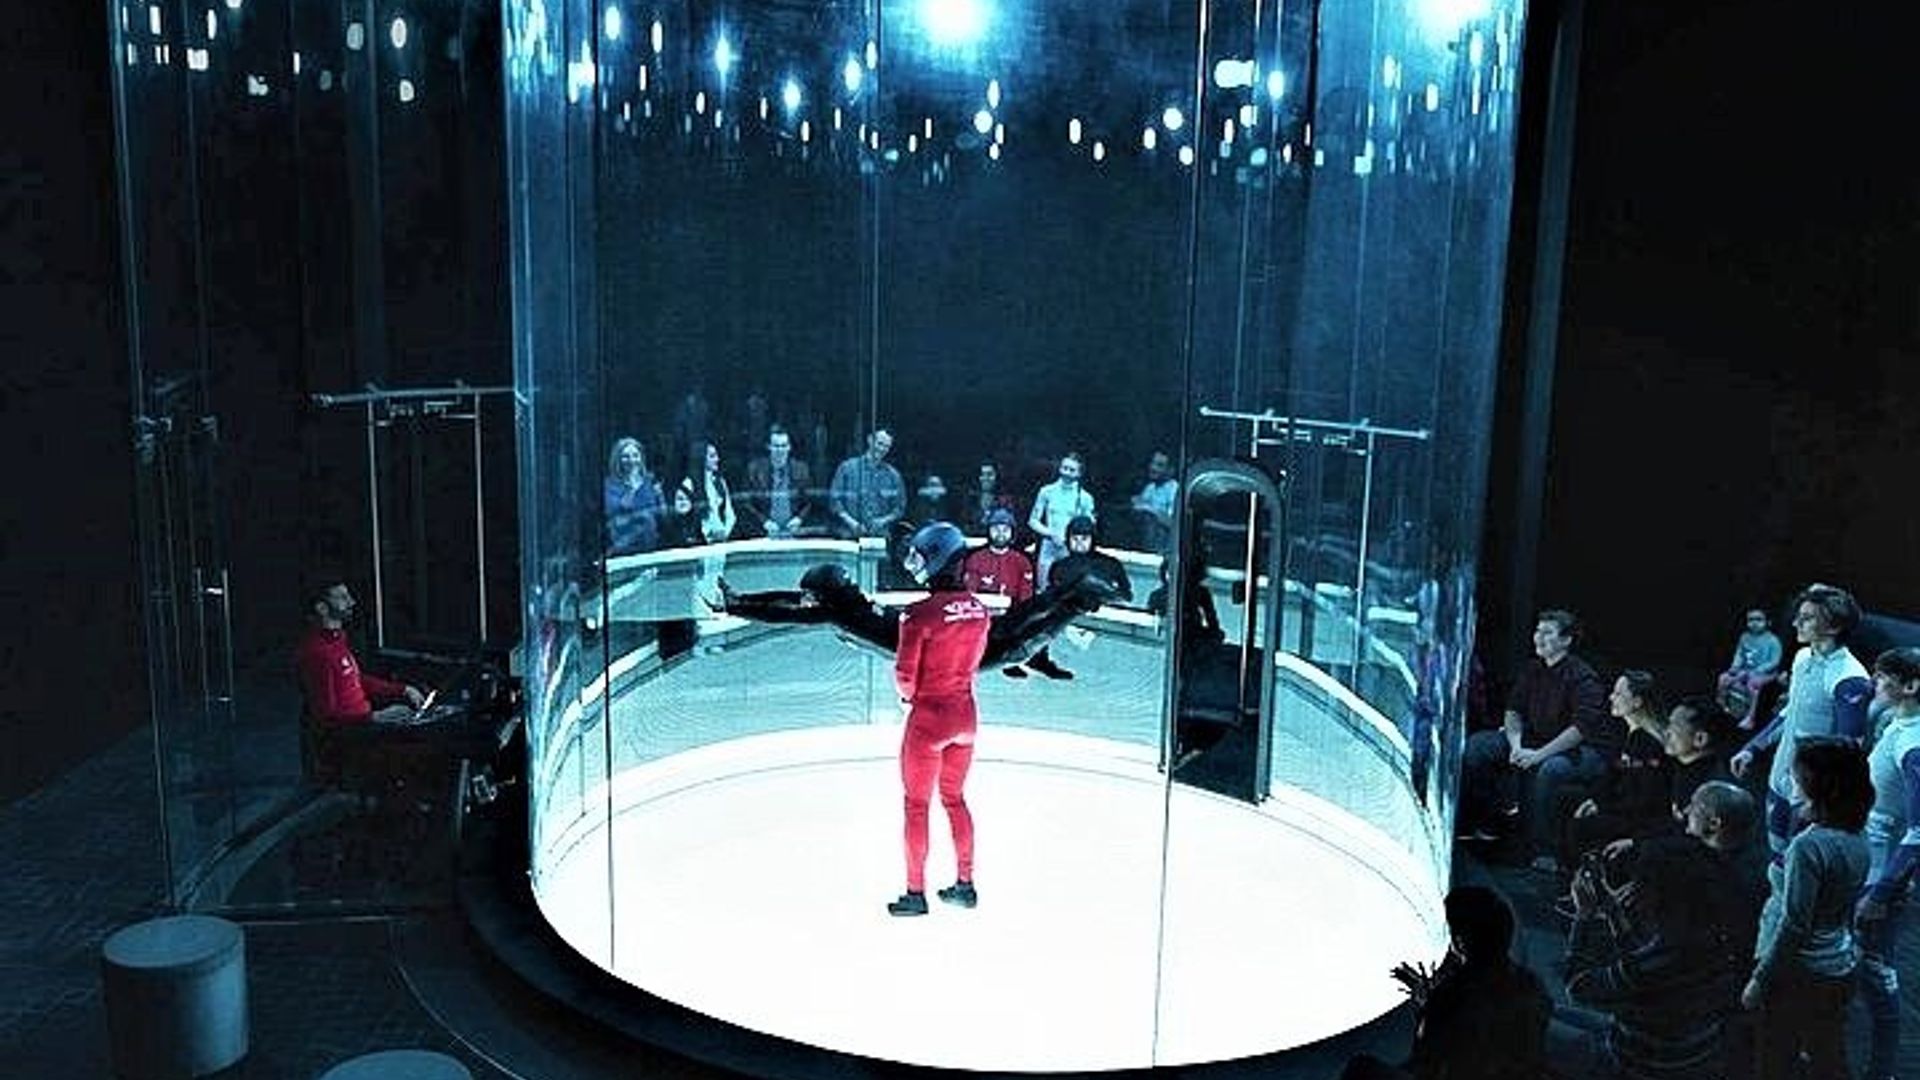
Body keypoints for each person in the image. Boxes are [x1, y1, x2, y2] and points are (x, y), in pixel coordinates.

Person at [1743, 737, 1873, 1080]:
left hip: (1799, 975)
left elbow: (1795, 925)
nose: (1791, 784)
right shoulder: (1858, 834)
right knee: (1827, 1055)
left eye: (1797, 778)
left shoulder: (1808, 846)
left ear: (1820, 789)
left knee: (1774, 1060)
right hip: (1838, 965)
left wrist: (1759, 979)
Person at [887, 523, 991, 917]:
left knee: (917, 805)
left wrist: (908, 699)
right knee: (955, 799)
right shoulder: (979, 611)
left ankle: (915, 893)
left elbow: (905, 675)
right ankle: (965, 884)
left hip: (929, 719)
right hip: (966, 716)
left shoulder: (918, 615)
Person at [1341, 887, 1550, 1080]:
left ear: (1459, 942)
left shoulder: (1450, 996)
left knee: (1360, 1067)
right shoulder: (1533, 985)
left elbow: (1425, 1066)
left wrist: (1428, 1008)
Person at [1730, 583, 1872, 861]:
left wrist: (1817, 799)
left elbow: (1849, 751)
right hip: (1780, 777)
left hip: (1810, 794)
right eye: (1799, 616)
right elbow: (1790, 712)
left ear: (1833, 627)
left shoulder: (1850, 678)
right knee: (1775, 856)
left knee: (1799, 865)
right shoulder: (1802, 657)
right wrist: (1753, 747)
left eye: (1807, 618)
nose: (1796, 623)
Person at [1459, 610, 1613, 852]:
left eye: (1547, 632)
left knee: (1550, 769)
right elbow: (1513, 711)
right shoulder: (1532, 669)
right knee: (1478, 746)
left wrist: (1538, 755)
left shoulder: (1584, 678)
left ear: (1566, 640)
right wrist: (1516, 746)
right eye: (1537, 631)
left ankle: (1542, 849)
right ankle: (1488, 824)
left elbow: (1579, 730)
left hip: (1582, 749)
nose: (1538, 637)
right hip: (1536, 739)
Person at [1857, 646, 1920, 1080]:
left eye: (1883, 677)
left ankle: (1882, 1071)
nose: (1875, 683)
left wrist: (1881, 893)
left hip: (1880, 879)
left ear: (1910, 686)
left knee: (1878, 975)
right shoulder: (1896, 725)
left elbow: (1919, 832)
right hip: (1868, 863)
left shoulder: (1914, 746)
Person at [296, 580, 426, 728]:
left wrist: (403, 690)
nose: (352, 602)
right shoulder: (316, 652)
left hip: (364, 721)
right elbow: (326, 715)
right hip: (354, 732)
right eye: (343, 598)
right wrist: (374, 717)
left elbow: (354, 680)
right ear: (322, 608)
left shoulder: (337, 640)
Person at [1023, 515, 1131, 681]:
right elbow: (1052, 598)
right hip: (1069, 621)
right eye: (1075, 538)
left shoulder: (1110, 564)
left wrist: (1101, 595)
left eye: (1084, 539)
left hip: (1102, 624)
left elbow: (1126, 596)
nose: (1079, 543)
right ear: (1068, 539)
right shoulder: (1060, 566)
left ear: (1093, 539)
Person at [961, 507, 1037, 678]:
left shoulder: (1022, 562)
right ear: (989, 531)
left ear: (1012, 533)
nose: (1000, 534)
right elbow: (970, 593)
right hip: (982, 615)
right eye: (996, 529)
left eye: (1005, 530)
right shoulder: (975, 559)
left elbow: (1026, 598)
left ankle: (1011, 661)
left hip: (1009, 617)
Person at [1026, 452, 1096, 592]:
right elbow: (1033, 521)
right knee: (1043, 588)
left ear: (1079, 473)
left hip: (1071, 549)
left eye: (1071, 470)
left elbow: (1090, 527)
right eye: (1064, 468)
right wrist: (1050, 534)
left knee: (1068, 589)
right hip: (1048, 546)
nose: (1067, 473)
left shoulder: (1085, 498)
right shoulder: (1046, 492)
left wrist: (1075, 541)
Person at [827, 426, 906, 539]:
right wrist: (852, 523)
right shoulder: (847, 468)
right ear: (870, 440)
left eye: (887, 446)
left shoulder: (894, 475)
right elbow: (834, 501)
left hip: (879, 537)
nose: (882, 449)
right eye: (880, 444)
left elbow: (899, 508)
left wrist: (883, 521)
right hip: (848, 536)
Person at [741, 423, 815, 539]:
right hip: (763, 534)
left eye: (783, 446)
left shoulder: (801, 469)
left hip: (794, 533)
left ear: (789, 447)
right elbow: (745, 502)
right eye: (776, 446)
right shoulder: (754, 470)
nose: (780, 450)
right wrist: (764, 522)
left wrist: (799, 518)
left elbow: (810, 500)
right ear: (768, 447)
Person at [1718, 608, 1785, 719]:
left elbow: (1774, 661)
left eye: (1759, 620)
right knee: (1723, 678)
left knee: (1753, 684)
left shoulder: (1773, 640)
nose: (1754, 623)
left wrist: (1759, 670)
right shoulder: (1744, 637)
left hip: (1766, 673)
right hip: (1745, 670)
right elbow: (1739, 654)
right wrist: (1735, 666)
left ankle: (1750, 716)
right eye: (1751, 620)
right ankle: (1722, 705)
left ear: (1768, 622)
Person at [604, 436, 663, 556]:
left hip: (651, 545)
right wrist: (633, 488)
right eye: (626, 456)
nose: (631, 460)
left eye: (635, 455)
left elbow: (660, 509)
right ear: (617, 459)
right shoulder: (611, 485)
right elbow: (614, 512)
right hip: (623, 546)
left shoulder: (650, 481)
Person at [1127, 449, 1177, 554]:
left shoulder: (1174, 490)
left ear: (1170, 470)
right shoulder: (1150, 488)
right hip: (1145, 547)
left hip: (1164, 551)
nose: (1153, 468)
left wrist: (1149, 508)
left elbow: (1173, 524)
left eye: (1159, 465)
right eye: (1152, 463)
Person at [960, 459, 1015, 537]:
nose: (985, 478)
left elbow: (1008, 526)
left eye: (989, 475)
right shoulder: (970, 500)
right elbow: (965, 524)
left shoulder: (1006, 500)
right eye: (982, 474)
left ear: (997, 476)